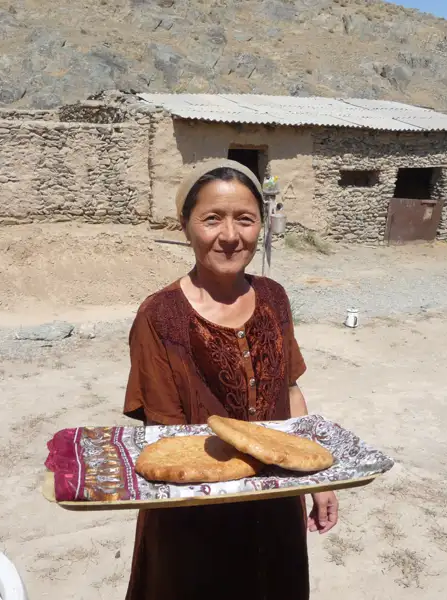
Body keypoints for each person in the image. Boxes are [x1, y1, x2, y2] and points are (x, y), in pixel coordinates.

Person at [122, 158, 339, 600]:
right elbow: (167, 433)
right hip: (195, 511)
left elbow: (291, 391)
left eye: (245, 219)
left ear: (262, 225)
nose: (230, 236)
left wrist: (318, 481)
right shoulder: (160, 316)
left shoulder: (273, 299)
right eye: (212, 219)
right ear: (185, 225)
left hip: (275, 501)